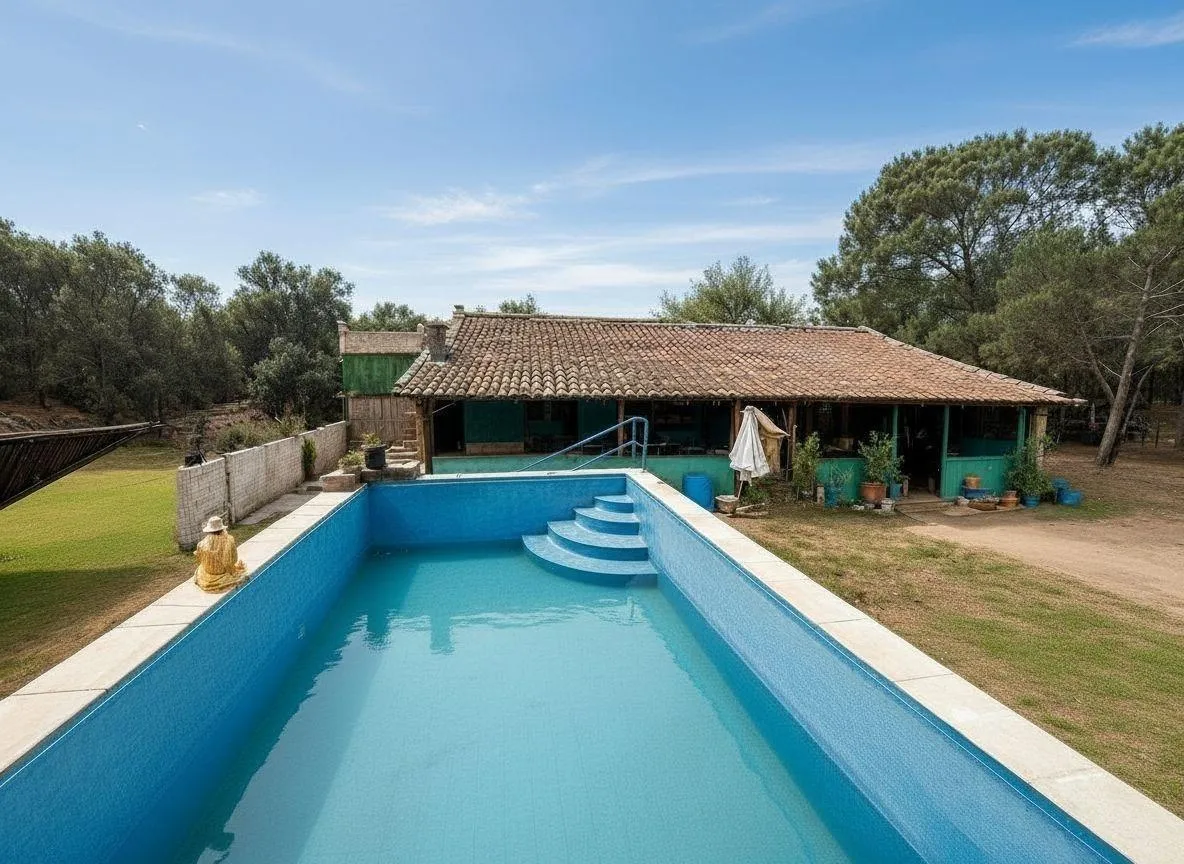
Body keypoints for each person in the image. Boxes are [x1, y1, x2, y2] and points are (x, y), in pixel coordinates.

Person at [193, 515, 247, 592]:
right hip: (222, 571)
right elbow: (230, 561)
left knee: (200, 569)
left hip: (207, 571)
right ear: (222, 529)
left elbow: (199, 558)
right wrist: (232, 571)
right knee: (239, 569)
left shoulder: (202, 543)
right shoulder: (229, 540)